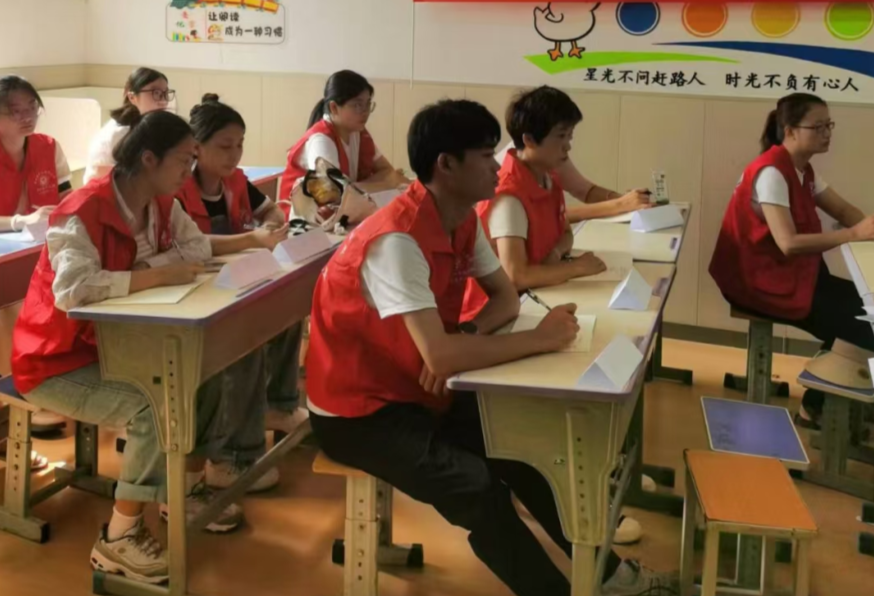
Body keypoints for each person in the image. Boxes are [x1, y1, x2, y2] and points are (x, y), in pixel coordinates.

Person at [306, 99, 677, 596]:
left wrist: (462, 341)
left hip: (417, 387)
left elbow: (503, 297)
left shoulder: (459, 218)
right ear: (446, 164)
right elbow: (442, 355)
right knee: (478, 488)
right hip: (359, 414)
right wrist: (533, 339)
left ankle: (611, 577)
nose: (497, 166)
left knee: (525, 449)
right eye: (485, 156)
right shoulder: (398, 241)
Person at [11, 111, 267, 583]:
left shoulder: (162, 203)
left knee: (204, 374)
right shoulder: (81, 210)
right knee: (154, 403)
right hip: (55, 361)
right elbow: (73, 290)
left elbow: (196, 250)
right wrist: (154, 275)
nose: (190, 171)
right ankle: (119, 538)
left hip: (116, 349)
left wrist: (146, 268)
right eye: (183, 160)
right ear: (149, 159)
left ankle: (182, 490)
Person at [710, 92, 874, 426]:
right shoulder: (771, 172)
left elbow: (845, 211)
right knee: (863, 324)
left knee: (866, 309)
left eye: (829, 125)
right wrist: (854, 234)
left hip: (793, 273)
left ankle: (825, 401)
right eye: (818, 127)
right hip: (758, 281)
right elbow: (788, 243)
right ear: (790, 131)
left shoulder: (803, 169)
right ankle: (817, 408)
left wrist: (864, 227)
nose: (827, 133)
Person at [177, 93, 309, 490]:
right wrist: (251, 238)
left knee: (288, 312)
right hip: (197, 290)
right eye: (224, 146)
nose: (234, 154)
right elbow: (193, 243)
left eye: (239, 145)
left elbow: (271, 210)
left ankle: (277, 406)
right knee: (244, 343)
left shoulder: (235, 180)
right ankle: (232, 456)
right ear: (196, 148)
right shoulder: (179, 187)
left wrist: (268, 225)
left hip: (235, 279)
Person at [463, 86, 606, 321]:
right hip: (494, 315)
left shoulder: (548, 176)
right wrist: (576, 268)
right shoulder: (509, 197)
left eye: (569, 136)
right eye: (560, 136)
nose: (568, 146)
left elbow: (566, 233)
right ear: (529, 139)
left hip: (536, 295)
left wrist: (556, 254)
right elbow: (516, 276)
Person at [0, 74, 73, 435]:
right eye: (16, 111)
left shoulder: (48, 146)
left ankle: (40, 390)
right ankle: (15, 399)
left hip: (40, 249)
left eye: (32, 107)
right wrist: (19, 221)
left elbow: (69, 199)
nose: (27, 116)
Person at [278, 70, 409, 216]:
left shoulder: (357, 132)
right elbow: (332, 197)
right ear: (334, 108)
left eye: (367, 104)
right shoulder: (321, 140)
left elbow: (387, 171)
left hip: (338, 216)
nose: (365, 112)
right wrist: (384, 185)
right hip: (301, 223)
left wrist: (355, 188)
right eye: (357, 105)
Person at [83, 67, 173, 184]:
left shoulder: (153, 127)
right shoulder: (119, 133)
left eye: (165, 94)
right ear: (132, 97)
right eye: (156, 93)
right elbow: (105, 178)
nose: (163, 101)